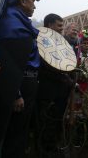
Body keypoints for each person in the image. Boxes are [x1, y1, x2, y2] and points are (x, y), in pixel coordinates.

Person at [0, 0, 42, 158]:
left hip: (21, 85)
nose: (35, 6)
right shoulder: (11, 25)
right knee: (8, 134)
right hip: (11, 89)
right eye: (33, 1)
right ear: (22, 0)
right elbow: (8, 64)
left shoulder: (21, 23)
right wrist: (16, 94)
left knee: (18, 131)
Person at [36, 13, 73, 156]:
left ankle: (55, 146)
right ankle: (44, 150)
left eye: (62, 26)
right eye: (59, 26)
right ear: (49, 25)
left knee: (58, 119)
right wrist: (63, 76)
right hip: (47, 89)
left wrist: (68, 76)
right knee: (46, 121)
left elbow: (65, 63)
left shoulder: (61, 42)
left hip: (61, 89)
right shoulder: (40, 40)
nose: (61, 29)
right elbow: (45, 66)